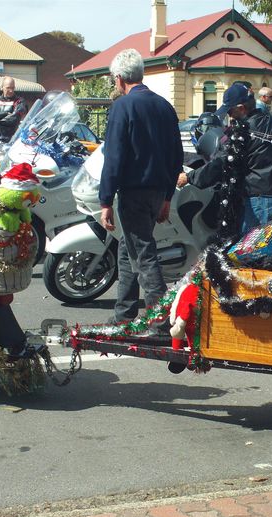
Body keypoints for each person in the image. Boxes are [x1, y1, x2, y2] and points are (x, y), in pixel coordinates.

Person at [99, 49, 183, 329]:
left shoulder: (123, 107)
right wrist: (167, 197)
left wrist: (105, 201)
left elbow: (114, 157)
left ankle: (161, 322)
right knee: (128, 250)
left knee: (143, 255)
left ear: (119, 78)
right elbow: (176, 156)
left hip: (134, 192)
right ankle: (124, 313)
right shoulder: (164, 106)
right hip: (157, 190)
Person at [176, 82, 272, 233]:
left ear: (241, 108)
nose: (229, 115)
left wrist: (189, 177)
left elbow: (223, 162)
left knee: (252, 245)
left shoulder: (244, 130)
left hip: (262, 198)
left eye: (230, 111)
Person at [0, 76, 28, 165]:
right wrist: (4, 113)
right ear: (2, 87)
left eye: (12, 88)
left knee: (9, 166)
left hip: (12, 140)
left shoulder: (19, 101)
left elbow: (14, 119)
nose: (11, 90)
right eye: (8, 88)